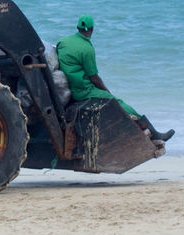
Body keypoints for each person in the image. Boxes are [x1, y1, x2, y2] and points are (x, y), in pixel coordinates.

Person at [56, 14, 174, 143]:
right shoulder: (86, 49)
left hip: (71, 86)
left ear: (77, 27)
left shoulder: (63, 42)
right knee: (117, 102)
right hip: (83, 90)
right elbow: (94, 77)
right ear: (92, 29)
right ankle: (153, 133)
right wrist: (107, 92)